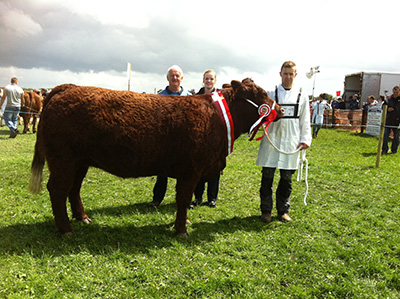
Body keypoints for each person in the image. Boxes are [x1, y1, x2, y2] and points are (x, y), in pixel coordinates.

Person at [256, 61, 311, 223]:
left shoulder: (302, 94)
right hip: (272, 139)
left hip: (291, 141)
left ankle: (283, 210)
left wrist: (305, 138)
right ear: (280, 74)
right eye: (285, 73)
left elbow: (305, 119)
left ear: (295, 75)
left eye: (291, 73)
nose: (288, 77)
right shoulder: (270, 93)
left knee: (286, 178)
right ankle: (266, 210)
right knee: (267, 177)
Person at [149, 65, 192, 207]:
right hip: (164, 141)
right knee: (162, 172)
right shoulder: (159, 97)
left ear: (182, 78)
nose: (175, 78)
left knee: (186, 172)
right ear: (167, 78)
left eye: (177, 75)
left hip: (184, 142)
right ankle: (157, 199)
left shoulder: (190, 98)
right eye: (172, 76)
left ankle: (185, 200)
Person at [190, 70, 220, 208]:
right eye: (206, 78)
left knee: (215, 167)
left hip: (215, 138)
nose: (208, 81)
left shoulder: (220, 98)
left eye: (211, 79)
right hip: (200, 138)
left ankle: (212, 198)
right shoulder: (197, 96)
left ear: (215, 80)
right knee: (199, 168)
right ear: (203, 80)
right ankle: (198, 197)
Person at [382, 86, 400, 154]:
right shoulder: (389, 99)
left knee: (396, 137)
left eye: (397, 92)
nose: (395, 93)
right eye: (394, 92)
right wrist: (387, 109)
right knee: (385, 136)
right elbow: (383, 107)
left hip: (397, 121)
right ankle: (384, 149)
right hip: (389, 120)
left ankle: (394, 150)